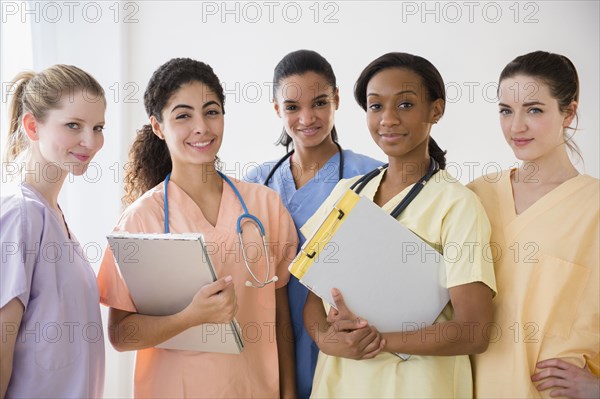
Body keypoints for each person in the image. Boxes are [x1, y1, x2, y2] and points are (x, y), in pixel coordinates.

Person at [97, 58, 298, 398]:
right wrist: (190, 317)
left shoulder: (264, 205)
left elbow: (281, 314)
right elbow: (121, 335)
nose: (202, 127)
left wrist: (289, 393)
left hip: (254, 389)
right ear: (158, 127)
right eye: (183, 115)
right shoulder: (140, 220)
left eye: (211, 111)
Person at [301, 52, 497, 398]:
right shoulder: (347, 193)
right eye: (376, 107)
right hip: (342, 382)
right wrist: (326, 339)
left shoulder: (456, 204)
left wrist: (376, 340)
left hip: (419, 385)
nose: (388, 119)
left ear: (436, 110)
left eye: (405, 105)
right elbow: (313, 299)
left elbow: (474, 330)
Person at [244, 49, 382, 398]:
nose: (307, 117)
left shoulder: (370, 175)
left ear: (337, 100)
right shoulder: (258, 182)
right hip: (271, 338)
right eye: (292, 107)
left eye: (320, 102)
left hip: (344, 338)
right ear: (277, 110)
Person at [469, 51, 599, 399]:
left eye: (534, 109)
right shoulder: (476, 195)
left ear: (568, 112)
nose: (516, 126)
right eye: (506, 111)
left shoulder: (595, 207)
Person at [0, 65, 106, 398]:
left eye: (98, 127)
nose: (90, 141)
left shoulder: (53, 215)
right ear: (32, 126)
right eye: (73, 125)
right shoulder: (20, 213)